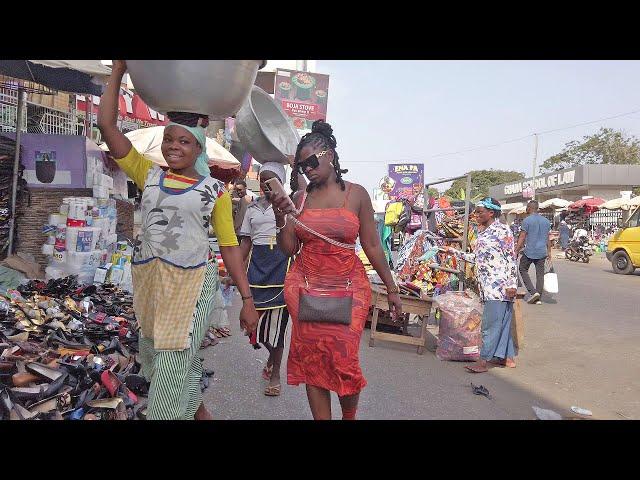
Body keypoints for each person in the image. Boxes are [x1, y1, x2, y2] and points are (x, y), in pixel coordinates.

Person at [97, 60, 258, 421]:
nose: (174, 147)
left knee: (170, 370)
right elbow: (107, 127)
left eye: (184, 141)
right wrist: (118, 71)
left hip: (192, 288)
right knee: (157, 363)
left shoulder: (214, 191)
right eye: (169, 139)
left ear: (199, 148)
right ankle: (198, 412)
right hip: (153, 286)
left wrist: (247, 300)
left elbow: (229, 247)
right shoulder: (148, 175)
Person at [268, 120, 402, 420]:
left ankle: (349, 416)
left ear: (329, 154)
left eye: (312, 162)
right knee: (313, 361)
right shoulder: (300, 199)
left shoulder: (356, 195)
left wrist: (391, 288)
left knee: (344, 360)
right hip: (306, 288)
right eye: (302, 167)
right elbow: (289, 249)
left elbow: (372, 245)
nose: (308, 170)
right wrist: (281, 216)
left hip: (348, 288)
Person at [238, 162, 292, 396]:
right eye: (262, 181)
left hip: (282, 266)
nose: (265, 187)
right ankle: (271, 355)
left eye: (271, 182)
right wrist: (235, 270)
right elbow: (245, 242)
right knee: (255, 327)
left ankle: (276, 372)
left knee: (277, 328)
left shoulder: (292, 208)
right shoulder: (252, 209)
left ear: (281, 183)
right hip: (257, 268)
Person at [465, 198, 518, 373]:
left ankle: (483, 362)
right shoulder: (483, 232)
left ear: (491, 213)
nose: (477, 215)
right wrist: (454, 253)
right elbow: (478, 259)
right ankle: (508, 359)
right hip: (487, 286)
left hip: (499, 286)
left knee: (490, 325)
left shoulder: (502, 231)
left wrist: (512, 284)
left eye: (480, 212)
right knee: (502, 323)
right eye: (476, 212)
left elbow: (510, 257)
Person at [515, 200, 551, 305]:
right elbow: (548, 238)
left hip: (530, 251)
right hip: (542, 251)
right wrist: (549, 251)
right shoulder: (546, 221)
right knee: (540, 274)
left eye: (527, 207)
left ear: (529, 208)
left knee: (522, 268)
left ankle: (533, 292)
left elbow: (522, 236)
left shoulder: (527, 221)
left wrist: (516, 250)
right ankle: (538, 296)